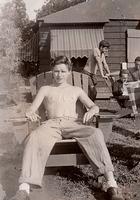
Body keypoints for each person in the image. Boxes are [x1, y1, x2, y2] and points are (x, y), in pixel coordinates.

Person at [10, 56, 124, 200]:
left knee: (95, 133)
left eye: (63, 71)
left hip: (73, 124)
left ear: (69, 72)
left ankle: (111, 184)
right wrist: (30, 113)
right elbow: (32, 109)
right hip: (51, 125)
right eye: (56, 71)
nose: (59, 75)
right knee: (34, 137)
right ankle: (24, 189)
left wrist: (92, 110)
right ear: (52, 72)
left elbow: (94, 106)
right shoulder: (45, 89)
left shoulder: (76, 90)